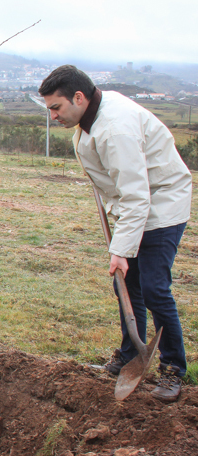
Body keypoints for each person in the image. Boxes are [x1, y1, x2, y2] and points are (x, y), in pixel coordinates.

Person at [39, 65, 192, 403]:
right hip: (135, 207)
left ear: (79, 97)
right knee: (126, 283)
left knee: (153, 287)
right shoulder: (91, 116)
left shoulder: (116, 128)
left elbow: (138, 194)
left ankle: (173, 368)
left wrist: (120, 249)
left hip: (162, 204)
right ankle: (130, 354)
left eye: (56, 107)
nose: (53, 116)